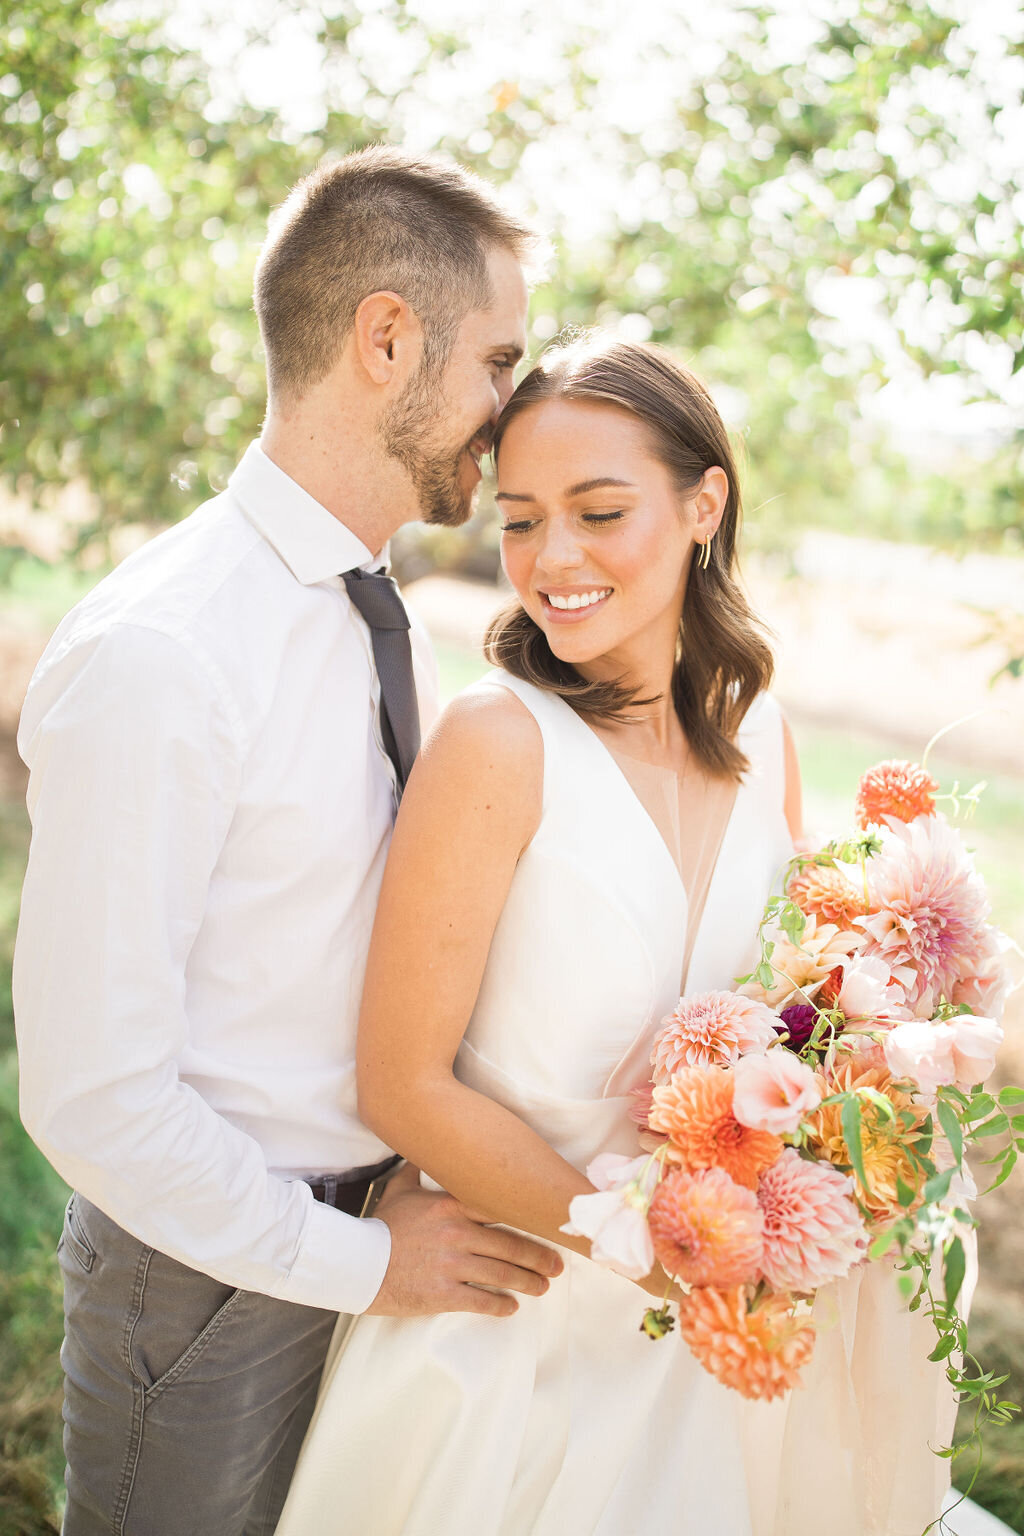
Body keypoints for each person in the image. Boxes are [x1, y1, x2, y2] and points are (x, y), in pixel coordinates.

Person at [275, 335, 957, 1536]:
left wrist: (846, 1111)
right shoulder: (499, 743)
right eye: (523, 520)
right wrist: (660, 1257)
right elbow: (402, 1083)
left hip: (709, 1344)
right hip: (510, 1336)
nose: (551, 560)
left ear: (705, 504)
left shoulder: (767, 744)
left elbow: (795, 1013)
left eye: (597, 512)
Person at [13, 146, 562, 1536]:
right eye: (499, 361)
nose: (510, 414)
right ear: (389, 338)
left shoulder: (369, 607)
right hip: (209, 1293)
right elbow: (94, 1100)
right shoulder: (166, 656)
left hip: (367, 1237)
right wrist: (357, 1262)